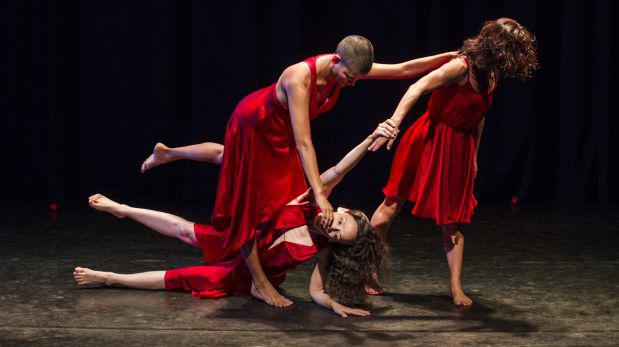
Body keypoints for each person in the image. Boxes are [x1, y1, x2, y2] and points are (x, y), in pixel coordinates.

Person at [140, 35, 456, 306]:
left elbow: (403, 69)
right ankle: (259, 283)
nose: (351, 83)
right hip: (255, 125)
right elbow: (305, 144)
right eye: (348, 76)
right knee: (250, 204)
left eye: (356, 79)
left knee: (227, 157)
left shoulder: (350, 64)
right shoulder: (298, 79)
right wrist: (320, 196)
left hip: (280, 134)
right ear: (335, 59)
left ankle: (168, 153)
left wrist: (450, 56)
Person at [75, 121, 394, 317]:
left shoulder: (322, 250)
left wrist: (334, 305)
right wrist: (369, 141)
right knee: (190, 225)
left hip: (246, 270)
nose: (331, 230)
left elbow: (317, 292)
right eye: (339, 224)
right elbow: (340, 169)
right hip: (245, 231)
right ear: (343, 211)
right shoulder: (311, 201)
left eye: (336, 237)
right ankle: (124, 207)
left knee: (182, 277)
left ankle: (109, 277)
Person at [368, 18, 539, 306]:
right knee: (390, 208)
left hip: (459, 148)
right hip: (428, 139)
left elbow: (480, 115)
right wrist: (395, 122)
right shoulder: (460, 66)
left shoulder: (492, 74)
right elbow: (417, 86)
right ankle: (366, 269)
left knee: (453, 221)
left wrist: (474, 156)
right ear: (498, 49)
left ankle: (455, 286)